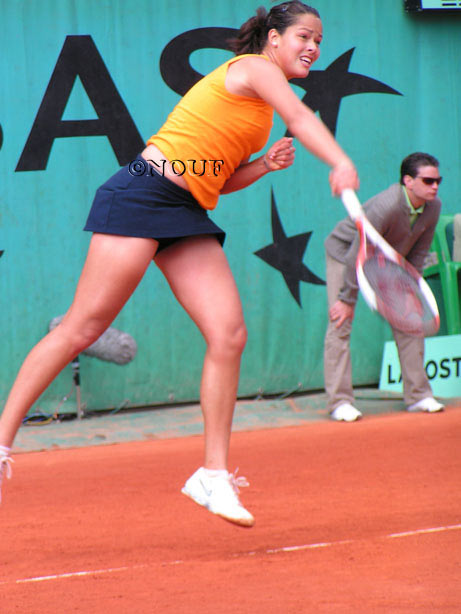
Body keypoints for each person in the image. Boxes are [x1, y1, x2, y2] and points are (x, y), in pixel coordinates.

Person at [0, 1, 358, 525]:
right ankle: (3, 439)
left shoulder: (256, 109)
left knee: (228, 334)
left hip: (185, 209)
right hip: (143, 194)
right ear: (274, 39)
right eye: (305, 36)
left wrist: (260, 166)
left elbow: (214, 175)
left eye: (320, 41)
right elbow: (302, 117)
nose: (314, 48)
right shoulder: (254, 68)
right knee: (82, 328)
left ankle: (212, 476)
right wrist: (340, 160)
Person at [324, 152, 444, 422]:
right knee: (340, 320)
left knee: (411, 319)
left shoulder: (433, 207)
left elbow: (418, 252)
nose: (434, 186)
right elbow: (359, 249)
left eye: (438, 180)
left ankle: (418, 396)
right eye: (428, 181)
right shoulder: (386, 206)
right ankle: (340, 402)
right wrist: (346, 298)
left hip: (386, 257)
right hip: (346, 252)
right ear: (408, 181)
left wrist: (412, 287)